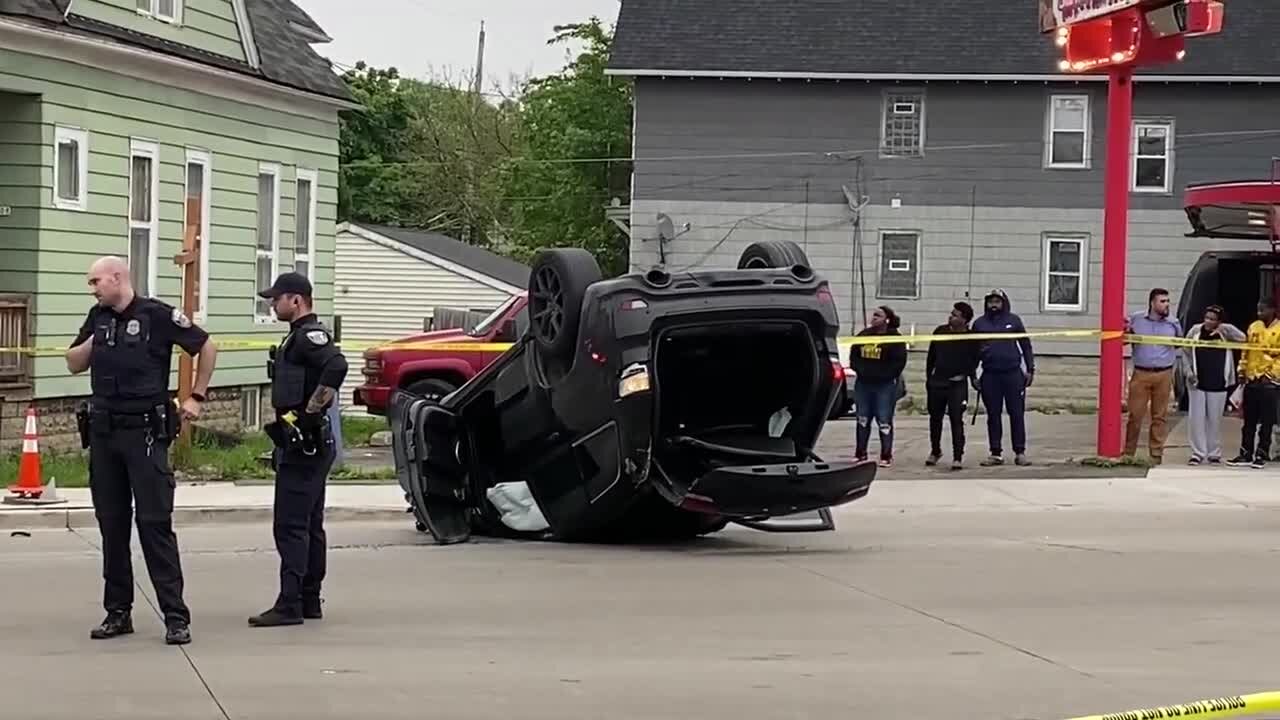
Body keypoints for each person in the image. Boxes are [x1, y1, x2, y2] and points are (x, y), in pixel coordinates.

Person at [64, 256, 218, 645]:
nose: (93, 288)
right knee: (111, 524)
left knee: (153, 524)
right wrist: (95, 340)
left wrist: (196, 396)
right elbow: (72, 364)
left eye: (96, 281)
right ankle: (118, 612)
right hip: (104, 433)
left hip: (145, 432)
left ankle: (175, 616)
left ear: (117, 278)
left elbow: (206, 346)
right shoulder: (96, 317)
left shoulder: (156, 314)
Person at [249, 272, 349, 627]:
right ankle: (309, 599)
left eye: (277, 299)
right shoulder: (298, 337)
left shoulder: (309, 335)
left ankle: (290, 602)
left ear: (296, 300)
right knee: (309, 523)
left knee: (291, 524)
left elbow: (336, 365)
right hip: (306, 443)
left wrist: (309, 412)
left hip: (305, 444)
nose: (273, 305)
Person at [971, 289, 1034, 466]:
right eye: (991, 301)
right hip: (990, 374)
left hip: (1012, 373)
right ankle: (995, 452)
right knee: (993, 415)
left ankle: (1020, 451)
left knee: (1017, 413)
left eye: (997, 301)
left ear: (1004, 303)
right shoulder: (979, 324)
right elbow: (973, 352)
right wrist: (973, 375)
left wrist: (1030, 369)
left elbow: (1026, 345)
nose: (994, 305)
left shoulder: (1013, 321)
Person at [1121, 288, 1184, 464]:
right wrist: (1124, 329)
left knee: (1160, 416)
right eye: (1162, 301)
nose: (1166, 305)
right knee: (1135, 415)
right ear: (1152, 303)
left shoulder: (1173, 322)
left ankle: (1156, 455)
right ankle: (1128, 453)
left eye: (1167, 301)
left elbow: (1181, 342)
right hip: (1141, 373)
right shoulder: (1136, 319)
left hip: (1164, 373)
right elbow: (1124, 339)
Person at [1180, 305, 1245, 465]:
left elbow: (1243, 338)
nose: (1208, 321)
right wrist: (1189, 373)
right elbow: (1185, 352)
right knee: (1196, 419)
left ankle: (1214, 452)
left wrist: (1225, 328)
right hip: (1197, 381)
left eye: (1212, 319)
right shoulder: (1195, 330)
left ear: (1219, 321)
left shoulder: (1225, 333)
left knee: (1214, 419)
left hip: (1218, 381)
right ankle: (1197, 453)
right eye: (1206, 318)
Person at [849, 305, 907, 468]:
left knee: (884, 420)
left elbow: (898, 363)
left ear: (887, 320)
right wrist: (861, 370)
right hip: (863, 384)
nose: (873, 318)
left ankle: (886, 455)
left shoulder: (895, 338)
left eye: (878, 315)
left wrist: (883, 375)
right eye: (873, 315)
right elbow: (854, 356)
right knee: (862, 418)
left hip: (885, 386)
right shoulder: (864, 335)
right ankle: (860, 453)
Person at [925, 302, 980, 470]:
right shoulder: (940, 331)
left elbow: (974, 361)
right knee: (935, 419)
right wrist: (929, 378)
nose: (951, 317)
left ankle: (957, 456)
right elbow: (931, 357)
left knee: (956, 419)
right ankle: (935, 451)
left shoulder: (971, 338)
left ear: (965, 320)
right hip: (937, 382)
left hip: (957, 383)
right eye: (951, 313)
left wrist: (972, 378)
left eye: (955, 315)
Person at [1226, 298, 1280, 469]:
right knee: (1248, 421)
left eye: (1262, 310)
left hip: (1269, 382)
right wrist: (1242, 371)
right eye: (1258, 310)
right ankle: (1245, 453)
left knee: (1267, 422)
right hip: (1251, 379)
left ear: (1272, 310)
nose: (1259, 313)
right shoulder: (1254, 326)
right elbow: (1246, 351)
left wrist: (1271, 374)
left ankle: (1261, 453)